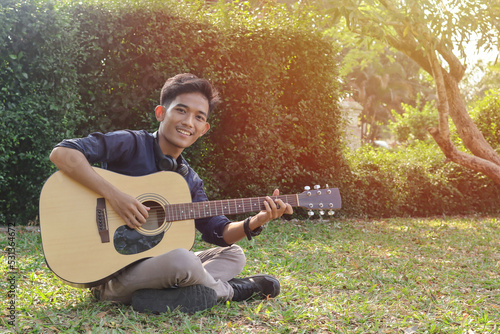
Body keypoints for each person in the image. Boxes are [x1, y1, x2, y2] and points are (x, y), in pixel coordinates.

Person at [49, 73, 293, 313]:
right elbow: (62, 152)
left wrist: (257, 220)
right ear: (160, 113)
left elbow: (217, 231)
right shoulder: (131, 143)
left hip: (154, 268)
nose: (189, 122)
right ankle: (231, 291)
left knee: (234, 255)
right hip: (111, 275)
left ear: (204, 128)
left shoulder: (189, 179)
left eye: (199, 117)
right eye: (181, 110)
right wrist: (115, 196)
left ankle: (158, 297)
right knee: (183, 260)